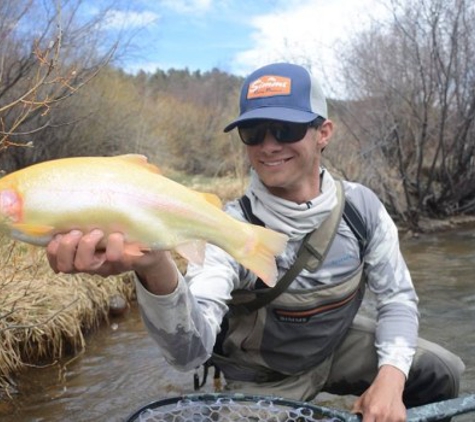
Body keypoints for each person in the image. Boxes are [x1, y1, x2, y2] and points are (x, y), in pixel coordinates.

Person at [46, 63, 465, 422]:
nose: (268, 145)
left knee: (442, 371)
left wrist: (390, 381)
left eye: (286, 128)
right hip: (264, 378)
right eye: (253, 131)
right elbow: (188, 353)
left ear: (324, 132)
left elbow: (397, 300)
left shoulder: (362, 208)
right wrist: (155, 266)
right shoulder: (227, 225)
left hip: (336, 349)